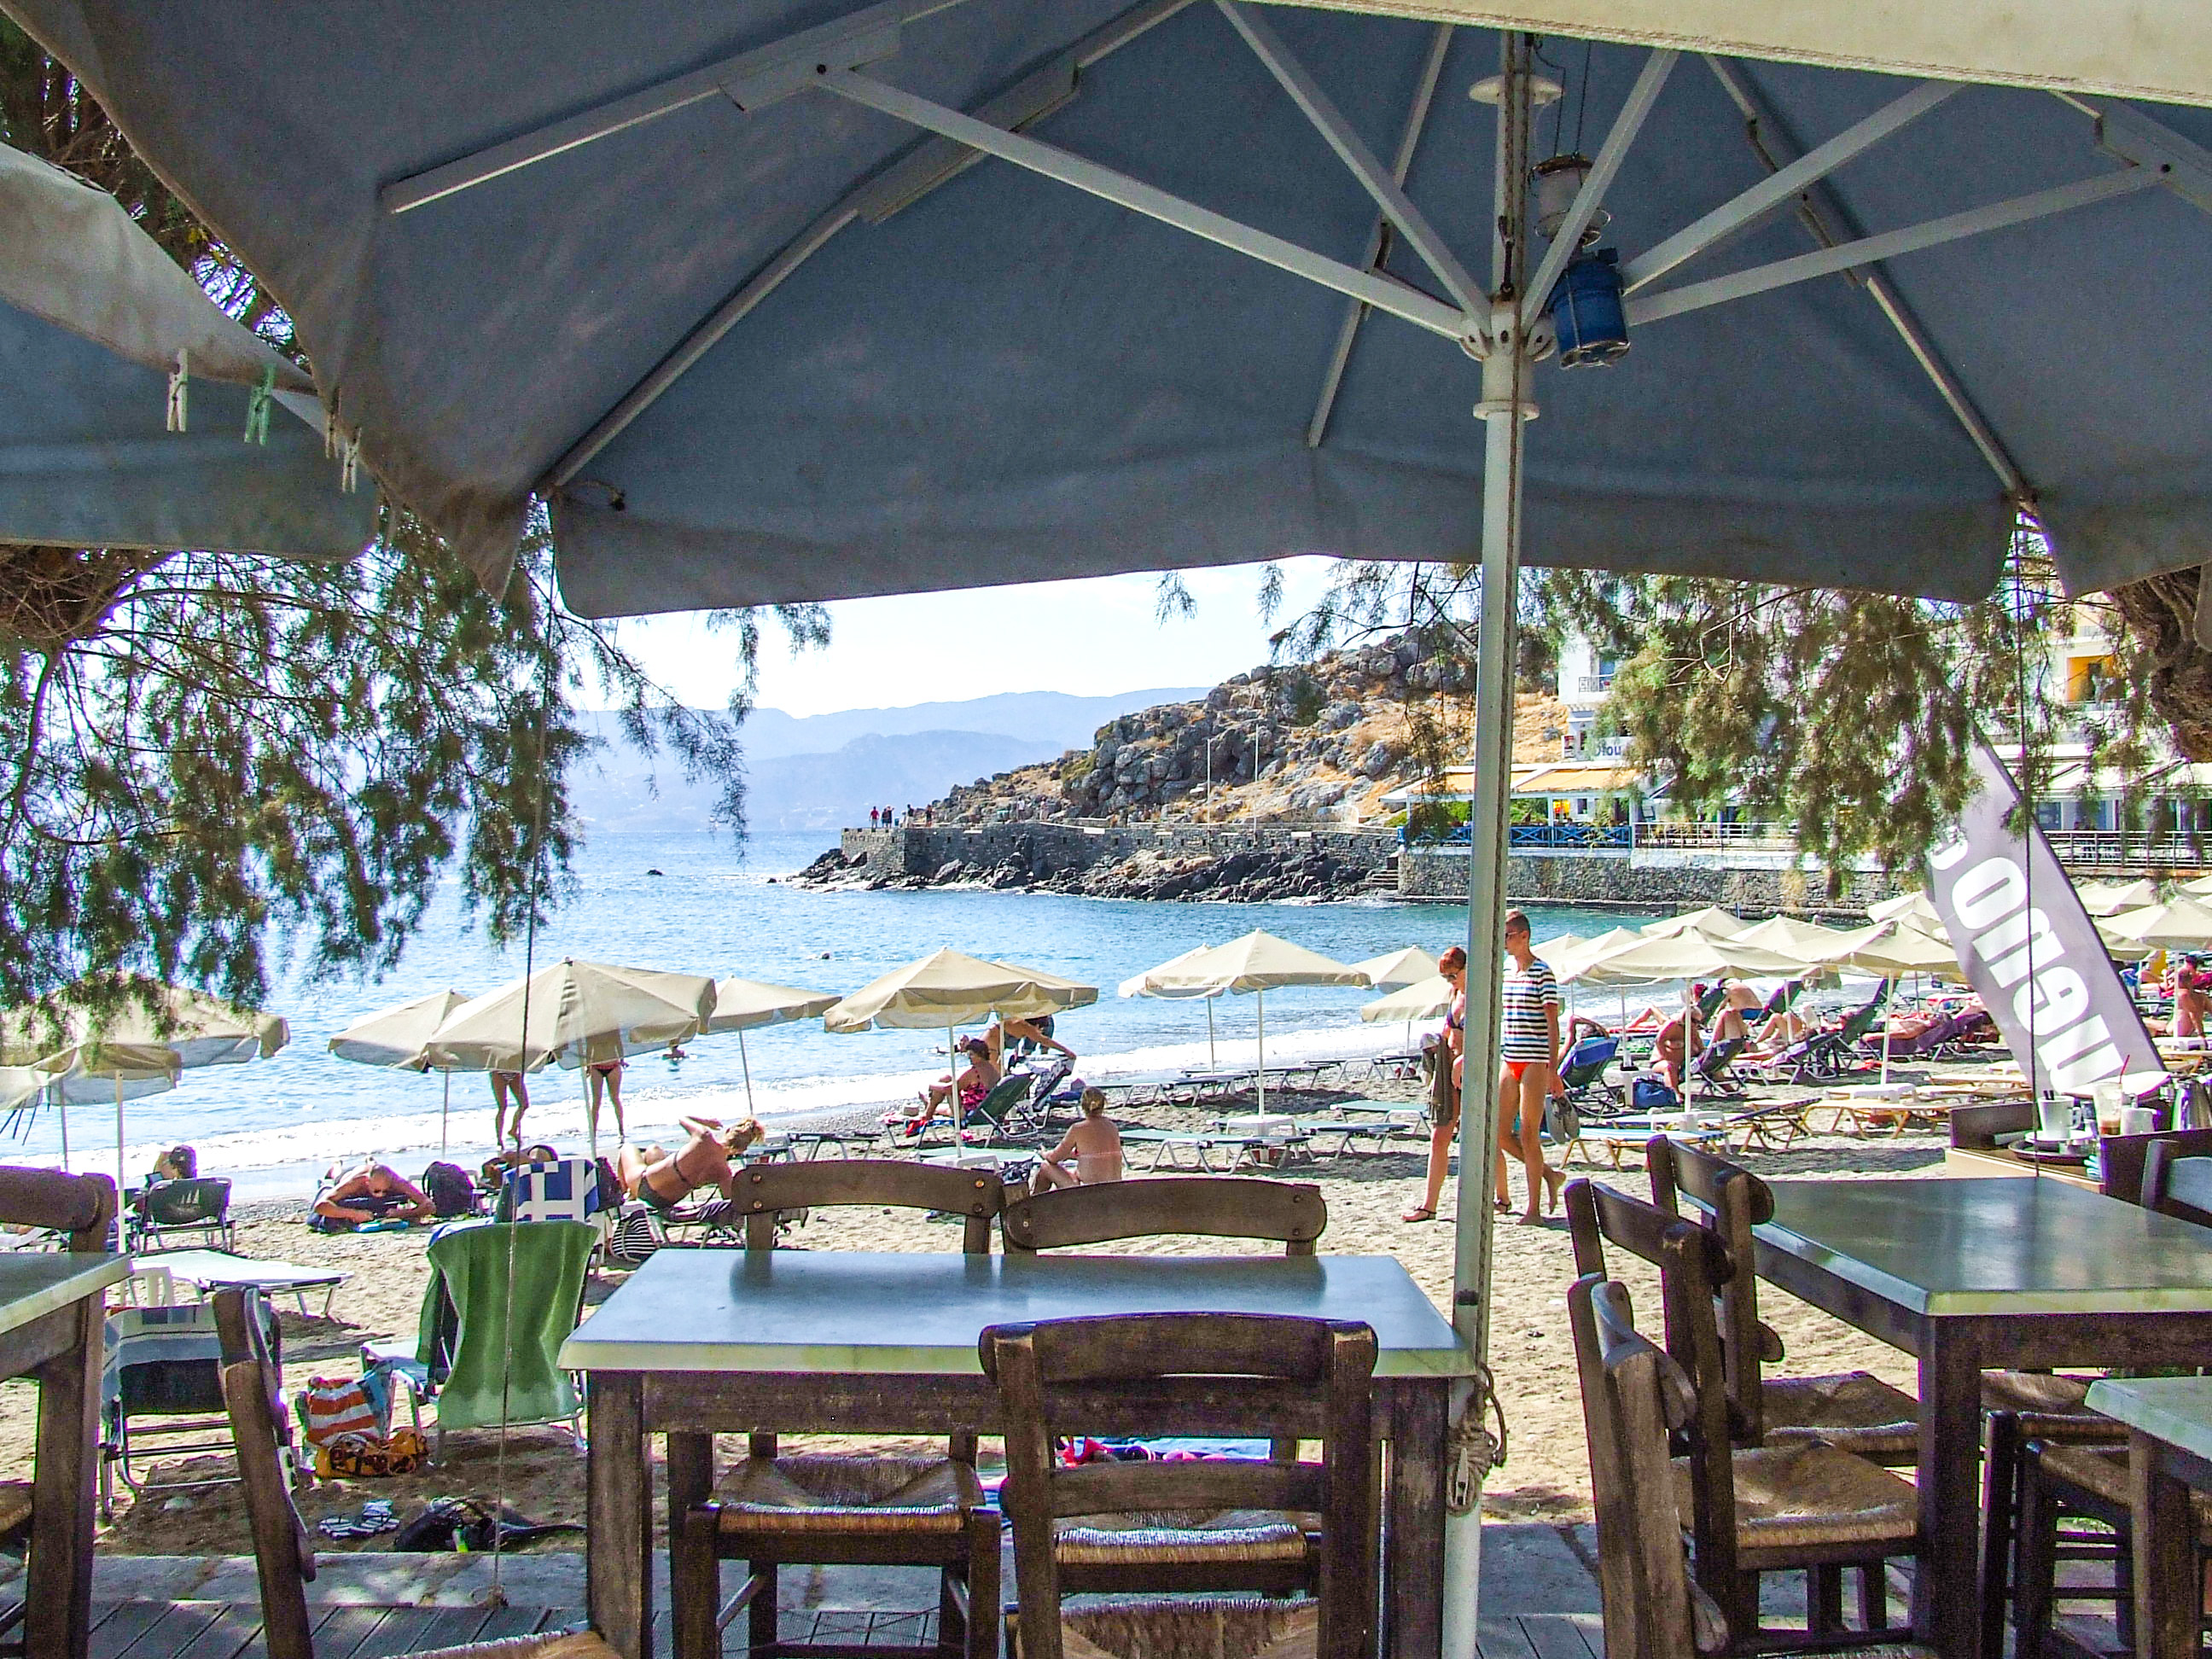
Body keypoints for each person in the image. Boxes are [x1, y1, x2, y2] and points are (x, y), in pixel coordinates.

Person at [1493, 911, 1567, 1225]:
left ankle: (1533, 1209)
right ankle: (1549, 1175)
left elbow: (1553, 1023)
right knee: (1498, 1133)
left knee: (1528, 1133)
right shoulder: (1508, 971)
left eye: (1508, 936)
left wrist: (1553, 1068)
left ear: (1524, 936)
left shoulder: (1542, 973)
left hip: (1535, 1059)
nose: (1504, 942)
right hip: (1510, 1057)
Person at [1403, 946, 1467, 1224]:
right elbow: (1449, 1030)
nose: (1450, 982)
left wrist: (1463, 1058)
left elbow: (1485, 1035)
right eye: (1446, 978)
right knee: (1440, 1136)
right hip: (1449, 1070)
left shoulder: (1479, 996)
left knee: (1487, 1137)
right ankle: (1429, 1205)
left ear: (1466, 969)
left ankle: (1504, 1197)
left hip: (1471, 1071)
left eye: (1454, 975)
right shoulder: (1456, 994)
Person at [616, 1117, 765, 1212]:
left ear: (728, 1131)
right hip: (663, 1202)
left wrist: (706, 1122)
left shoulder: (704, 1136)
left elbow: (682, 1118)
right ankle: (631, 1196)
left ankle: (622, 1196)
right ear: (742, 1150)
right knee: (653, 1150)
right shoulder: (723, 1172)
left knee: (627, 1148)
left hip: (643, 1183)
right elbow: (729, 1203)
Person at [1033, 1089, 1122, 1191]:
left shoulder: (1078, 1129)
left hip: (1088, 1192)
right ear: (1103, 1105)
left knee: (1045, 1166)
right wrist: (1071, 1155)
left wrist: (1044, 1153)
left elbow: (1053, 1158)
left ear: (1083, 1106)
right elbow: (1099, 1154)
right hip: (1115, 1190)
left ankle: (1035, 1200)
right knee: (1075, 1172)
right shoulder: (1112, 1127)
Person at [314, 1162, 434, 1231]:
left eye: (385, 1191)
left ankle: (370, 1161)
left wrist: (404, 1213)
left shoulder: (397, 1182)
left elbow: (429, 1206)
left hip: (376, 1172)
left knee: (375, 1167)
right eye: (377, 1191)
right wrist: (354, 1214)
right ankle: (336, 1166)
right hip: (347, 1175)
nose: (381, 1195)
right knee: (337, 1175)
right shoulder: (356, 1182)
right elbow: (320, 1206)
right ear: (368, 1182)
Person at [985, 1013, 1075, 1065]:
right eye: (1040, 1030)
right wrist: (1067, 1051)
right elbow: (1045, 1040)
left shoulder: (1020, 1024)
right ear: (1037, 1026)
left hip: (990, 1044)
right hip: (990, 1045)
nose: (1039, 1032)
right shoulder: (1025, 1027)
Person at [583, 1048, 626, 1146]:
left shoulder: (612, 1035)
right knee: (596, 1101)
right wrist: (588, 1066)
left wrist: (622, 1060)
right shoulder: (592, 1037)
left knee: (615, 1098)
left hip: (613, 1065)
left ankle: (621, 1130)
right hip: (596, 1066)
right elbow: (589, 1048)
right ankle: (593, 1133)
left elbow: (618, 1045)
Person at [490, 1069, 529, 1147]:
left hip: (514, 1072)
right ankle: (499, 1140)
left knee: (524, 1104)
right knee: (502, 1106)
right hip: (499, 1072)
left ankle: (513, 1130)